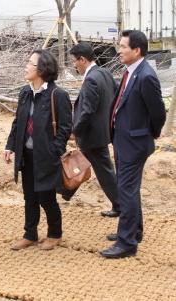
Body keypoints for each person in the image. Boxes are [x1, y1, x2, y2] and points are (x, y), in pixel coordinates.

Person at [101, 30, 166, 259]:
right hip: (122, 139)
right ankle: (134, 231)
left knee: (125, 190)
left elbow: (158, 112)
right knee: (129, 189)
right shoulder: (131, 72)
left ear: (136, 50)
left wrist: (150, 133)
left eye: (123, 47)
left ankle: (126, 242)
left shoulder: (146, 76)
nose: (119, 51)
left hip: (135, 143)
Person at [4, 50, 72, 251]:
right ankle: (30, 234)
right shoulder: (25, 92)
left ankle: (55, 234)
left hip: (46, 156)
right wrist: (10, 145)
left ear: (42, 69)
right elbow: (18, 122)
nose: (26, 66)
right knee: (29, 197)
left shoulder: (57, 95)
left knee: (46, 197)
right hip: (26, 154)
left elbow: (66, 127)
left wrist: (54, 150)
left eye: (30, 63)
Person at [70, 42, 120, 217]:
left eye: (75, 61)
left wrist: (75, 130)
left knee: (103, 172)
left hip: (92, 136)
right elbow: (115, 97)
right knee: (105, 169)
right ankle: (119, 205)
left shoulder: (91, 79)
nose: (74, 65)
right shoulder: (105, 73)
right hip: (103, 133)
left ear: (82, 59)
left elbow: (87, 111)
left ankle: (120, 206)